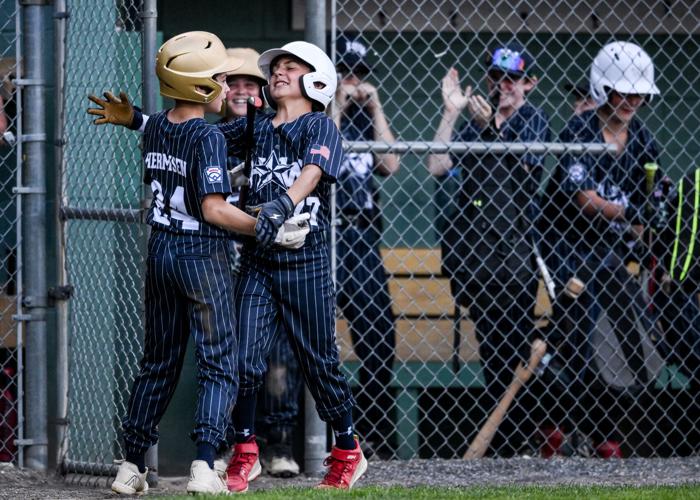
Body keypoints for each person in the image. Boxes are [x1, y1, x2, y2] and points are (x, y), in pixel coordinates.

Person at [91, 39, 368, 492]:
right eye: (276, 66)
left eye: (291, 67)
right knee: (242, 361)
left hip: (304, 260)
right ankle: (244, 451)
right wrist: (142, 120)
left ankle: (347, 449)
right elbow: (196, 138)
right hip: (260, 257)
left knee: (319, 363)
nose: (278, 71)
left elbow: (312, 173)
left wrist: (281, 204)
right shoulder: (255, 124)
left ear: (315, 80)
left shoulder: (320, 125)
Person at [540, 41, 663, 458]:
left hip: (610, 253)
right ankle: (555, 428)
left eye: (637, 93)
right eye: (621, 91)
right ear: (602, 89)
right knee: (577, 337)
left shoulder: (644, 140)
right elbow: (585, 199)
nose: (631, 101)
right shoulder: (579, 130)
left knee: (617, 341)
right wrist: (631, 211)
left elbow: (651, 206)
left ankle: (605, 435)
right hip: (568, 247)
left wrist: (648, 231)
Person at [427, 43, 550, 457]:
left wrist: (493, 129)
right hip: (478, 257)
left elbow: (523, 176)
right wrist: (452, 111)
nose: (504, 86)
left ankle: (518, 440)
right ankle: (505, 444)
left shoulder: (533, 120)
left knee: (516, 347)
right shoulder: (474, 123)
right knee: (493, 351)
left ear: (528, 84)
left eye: (513, 79)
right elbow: (437, 166)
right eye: (497, 78)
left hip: (514, 254)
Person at [332, 35, 399, 458]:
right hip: (327, 236)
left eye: (358, 73)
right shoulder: (320, 115)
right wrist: (337, 101)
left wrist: (374, 107)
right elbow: (323, 161)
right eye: (345, 71)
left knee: (379, 338)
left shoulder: (366, 119)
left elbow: (391, 164)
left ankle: (369, 434)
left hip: (363, 236)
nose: (353, 81)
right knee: (315, 343)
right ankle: (323, 438)